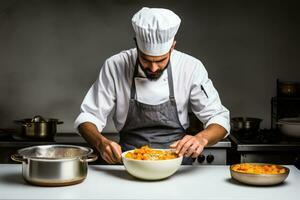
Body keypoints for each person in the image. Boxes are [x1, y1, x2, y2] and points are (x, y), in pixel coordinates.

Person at [74, 7, 230, 165]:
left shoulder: (191, 67)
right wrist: (101, 143)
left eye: (161, 60)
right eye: (146, 60)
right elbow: (88, 117)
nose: (154, 68)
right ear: (136, 44)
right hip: (130, 163)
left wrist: (202, 138)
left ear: (172, 47)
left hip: (177, 165)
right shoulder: (115, 65)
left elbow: (219, 117)